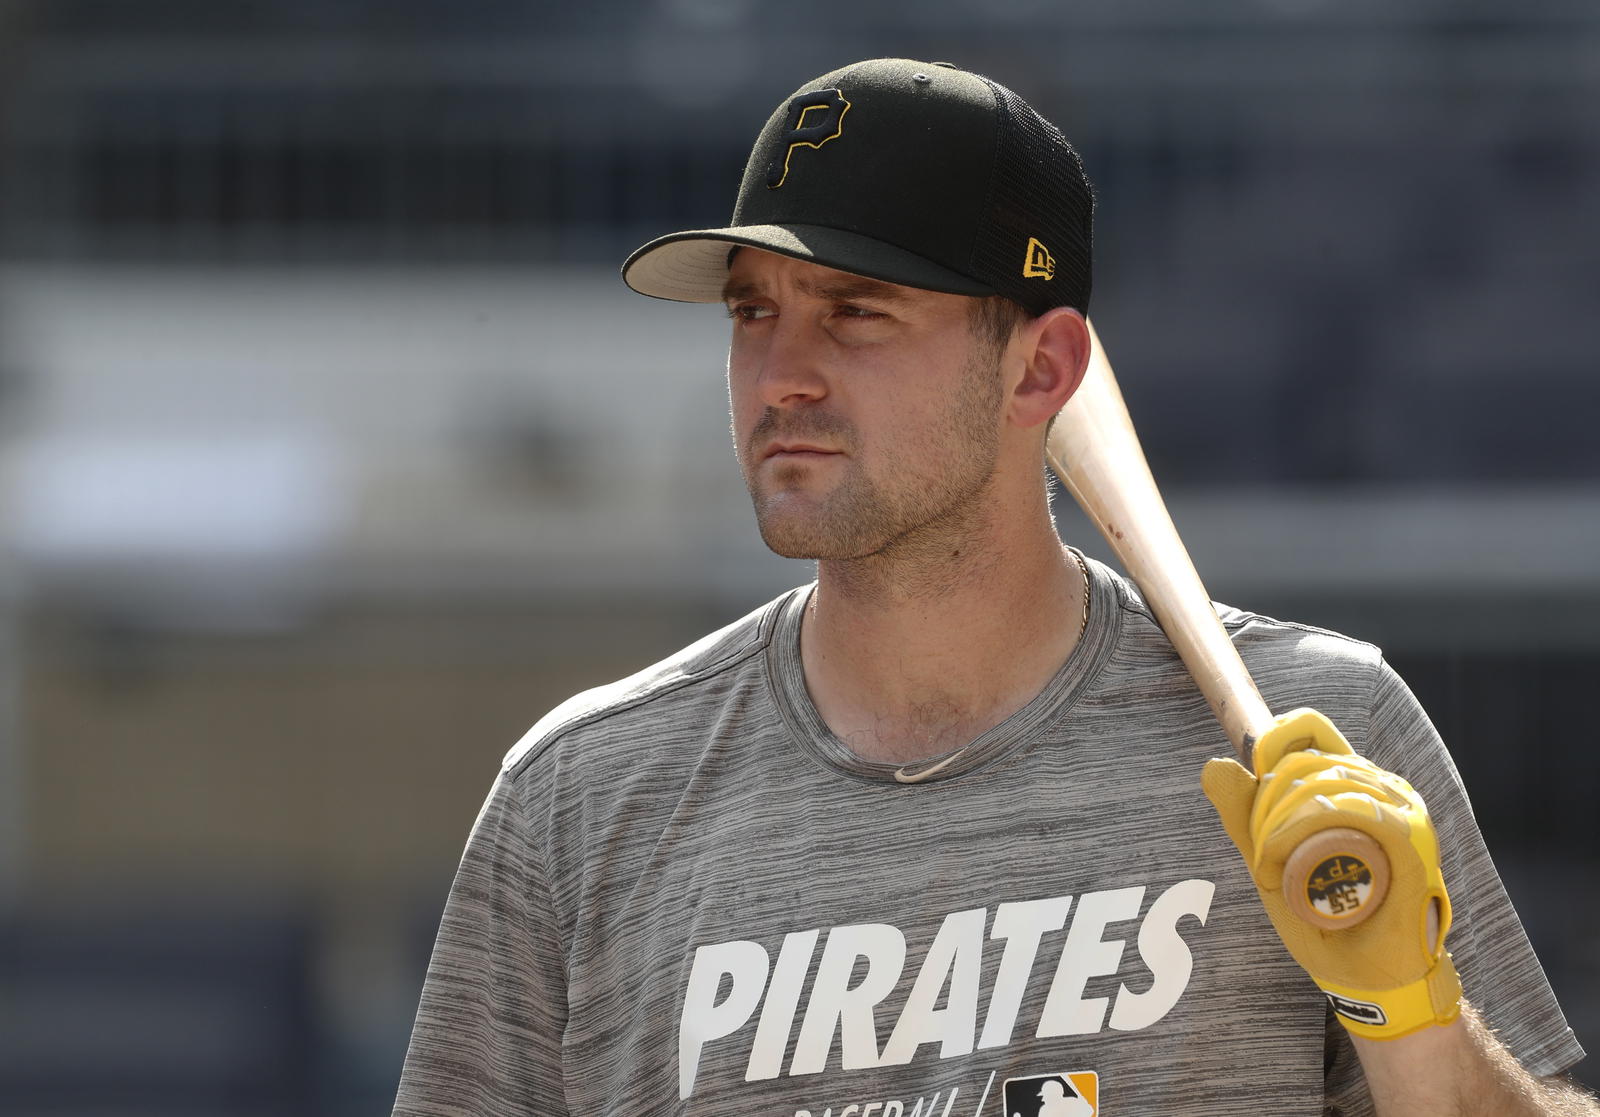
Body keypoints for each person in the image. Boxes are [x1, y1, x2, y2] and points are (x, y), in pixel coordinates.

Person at [392, 58, 1593, 1116]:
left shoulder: (1320, 737)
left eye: (857, 314)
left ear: (1043, 369)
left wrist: (1410, 1013)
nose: (781, 376)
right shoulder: (585, 796)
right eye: (753, 314)